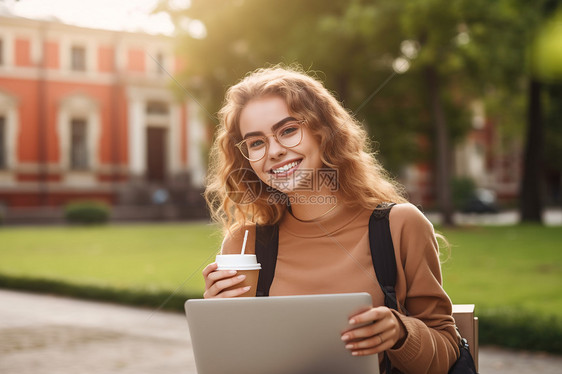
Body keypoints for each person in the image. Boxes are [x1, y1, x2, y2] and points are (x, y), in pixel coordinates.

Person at [202, 66, 460, 373]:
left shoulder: (399, 226)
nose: (274, 151)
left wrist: (401, 332)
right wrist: (219, 322)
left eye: (288, 130)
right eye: (256, 142)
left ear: (322, 132)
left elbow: (447, 352)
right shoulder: (244, 245)